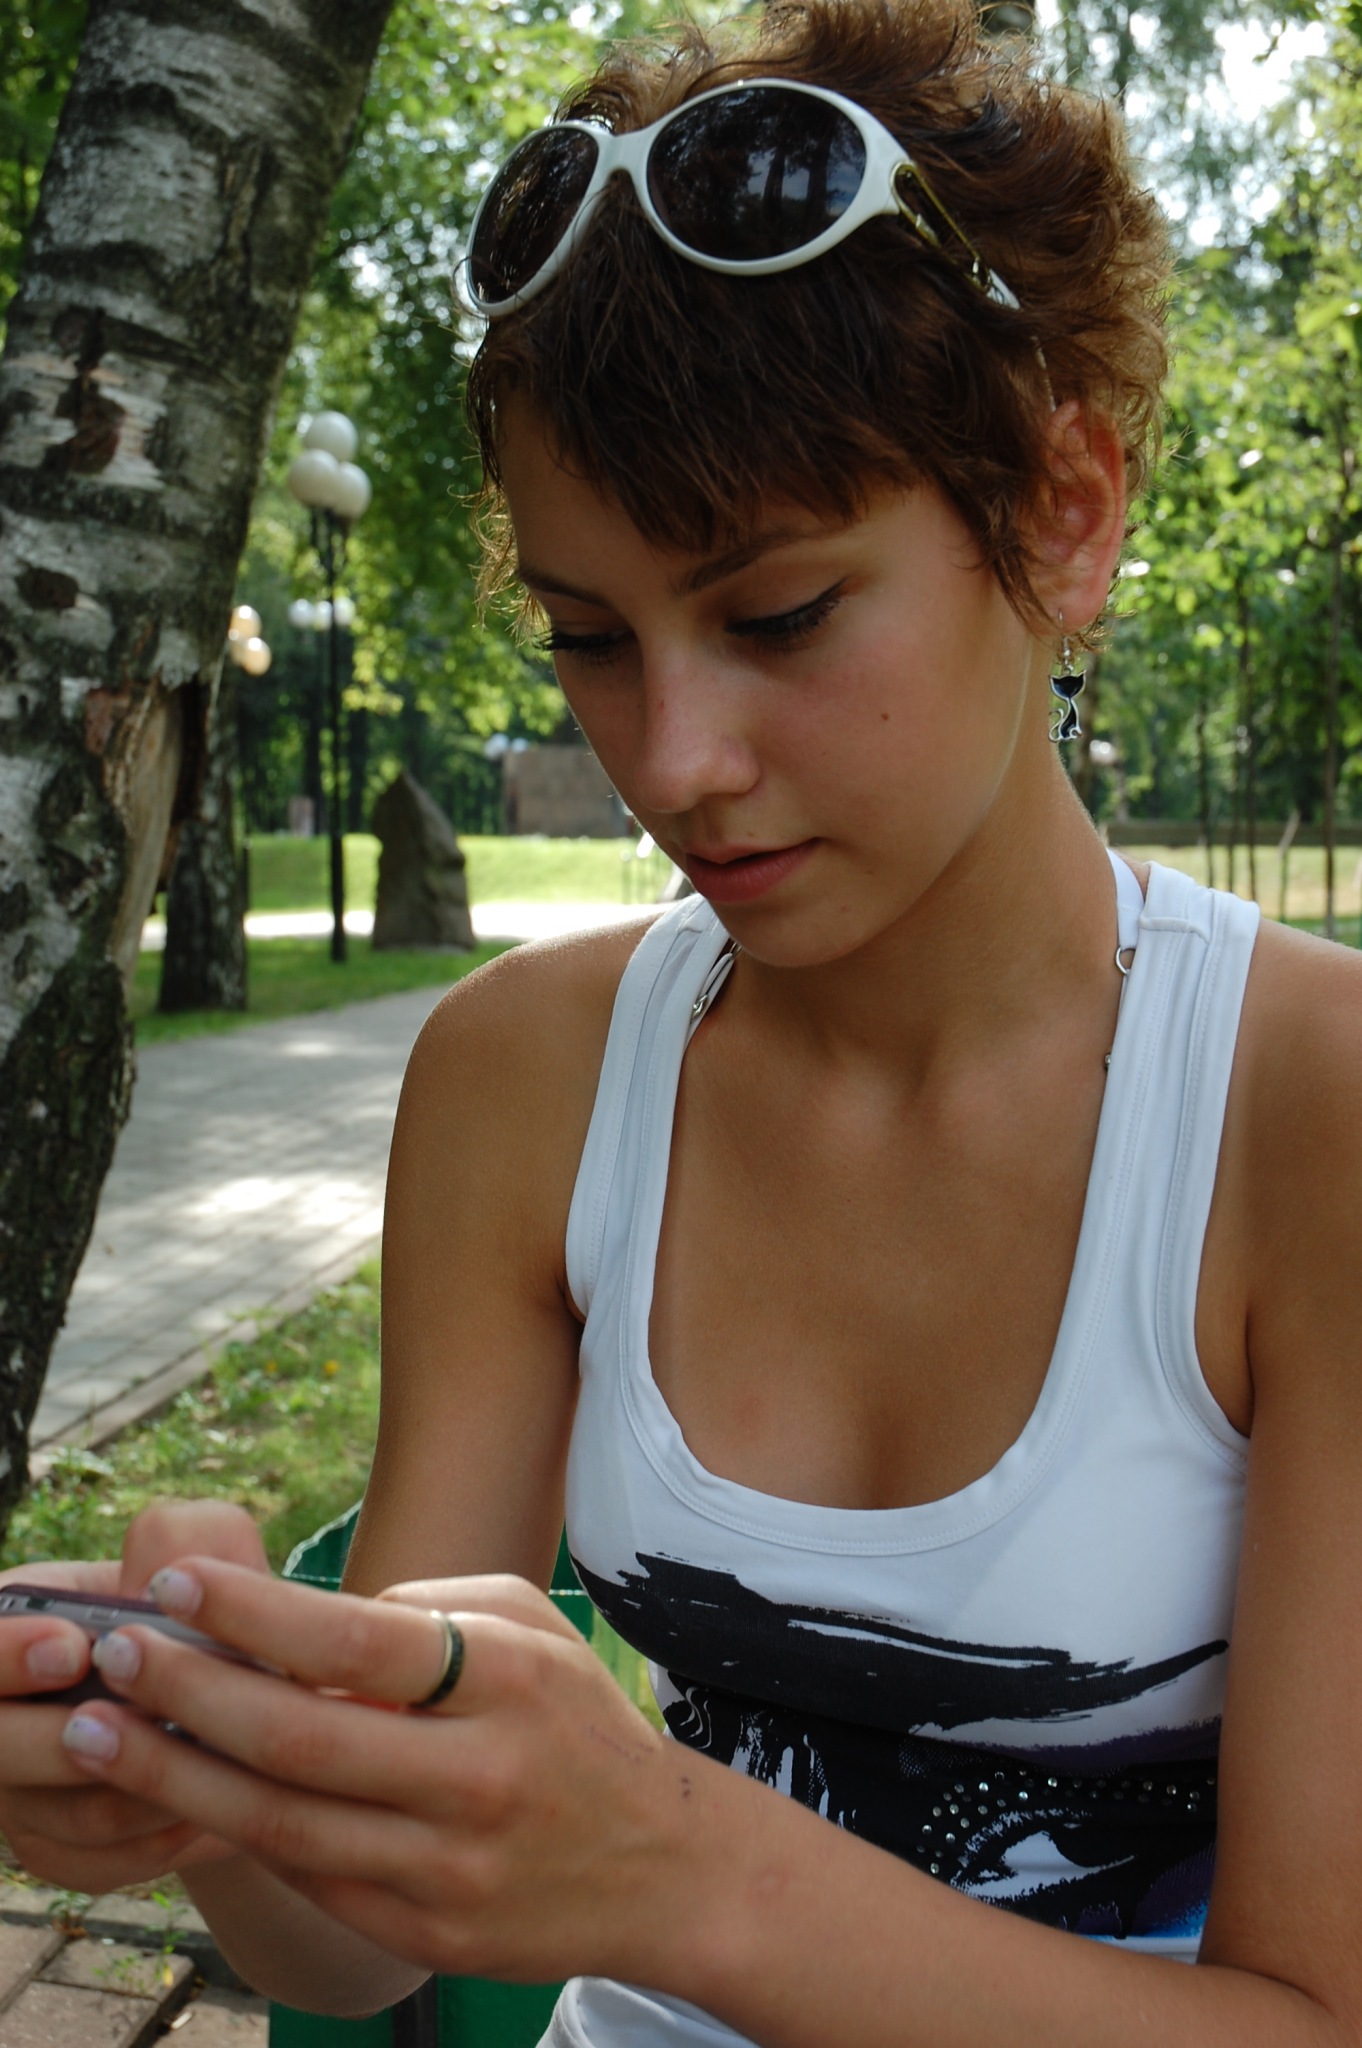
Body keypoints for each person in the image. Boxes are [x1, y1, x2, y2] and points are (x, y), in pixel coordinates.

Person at [3, 2, 1361, 2042]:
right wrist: (213, 1767)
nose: (673, 759)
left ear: (1063, 509)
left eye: (777, 615)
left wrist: (672, 1864)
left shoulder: (1306, 1112)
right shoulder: (529, 1078)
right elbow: (360, 1949)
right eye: (588, 638)